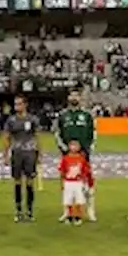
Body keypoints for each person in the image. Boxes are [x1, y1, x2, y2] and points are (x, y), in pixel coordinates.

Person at [54, 86, 96, 222]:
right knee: (68, 183)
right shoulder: (62, 115)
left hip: (84, 155)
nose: (74, 98)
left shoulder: (87, 115)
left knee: (87, 183)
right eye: (72, 96)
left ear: (80, 98)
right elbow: (57, 134)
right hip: (68, 156)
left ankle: (90, 209)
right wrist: (65, 149)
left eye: (76, 96)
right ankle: (67, 211)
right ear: (68, 98)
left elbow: (93, 133)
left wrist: (88, 148)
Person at [3, 95, 40, 223]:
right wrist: (5, 154)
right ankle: (18, 211)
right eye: (15, 104)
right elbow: (7, 137)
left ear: (25, 105)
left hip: (30, 153)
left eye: (19, 104)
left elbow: (37, 137)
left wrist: (39, 155)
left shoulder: (32, 119)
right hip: (17, 153)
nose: (16, 106)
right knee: (17, 182)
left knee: (30, 182)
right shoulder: (11, 120)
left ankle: (29, 211)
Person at [59, 139, 91, 226]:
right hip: (68, 182)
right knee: (68, 200)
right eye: (72, 145)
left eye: (75, 145)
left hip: (78, 182)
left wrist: (85, 182)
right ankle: (69, 216)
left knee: (79, 200)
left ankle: (78, 216)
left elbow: (85, 171)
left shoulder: (81, 158)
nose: (73, 147)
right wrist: (62, 183)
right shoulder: (65, 158)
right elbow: (62, 171)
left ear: (79, 147)